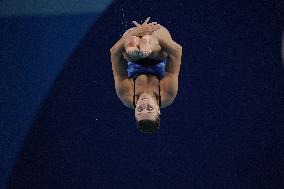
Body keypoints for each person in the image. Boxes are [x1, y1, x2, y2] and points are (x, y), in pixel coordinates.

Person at [110, 17, 182, 133]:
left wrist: (135, 32)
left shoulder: (127, 95)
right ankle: (147, 42)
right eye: (149, 108)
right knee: (157, 51)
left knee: (129, 53)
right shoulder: (167, 94)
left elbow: (114, 53)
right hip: (157, 48)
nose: (144, 103)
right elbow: (176, 51)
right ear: (158, 110)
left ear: (134, 112)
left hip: (132, 52)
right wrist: (150, 33)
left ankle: (135, 42)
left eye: (139, 109)